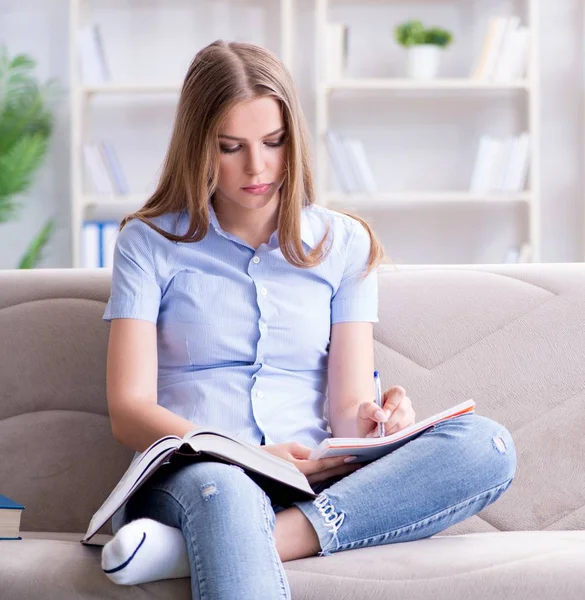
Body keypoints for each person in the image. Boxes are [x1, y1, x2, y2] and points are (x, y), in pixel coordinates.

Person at [99, 40, 517, 600]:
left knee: (485, 444)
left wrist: (377, 425)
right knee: (227, 492)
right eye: (231, 147)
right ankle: (229, 529)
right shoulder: (148, 244)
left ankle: (225, 546)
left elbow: (345, 415)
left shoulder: (344, 244)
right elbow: (129, 414)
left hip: (309, 481)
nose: (258, 167)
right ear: (198, 147)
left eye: (274, 142)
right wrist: (240, 453)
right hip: (197, 475)